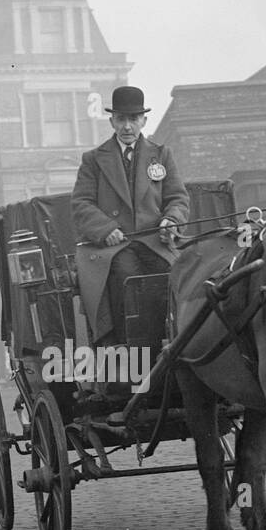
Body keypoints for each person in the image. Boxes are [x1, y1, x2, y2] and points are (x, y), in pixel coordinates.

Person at [71, 85, 189, 346]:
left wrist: (171, 220)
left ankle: (175, 342)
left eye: (133, 119)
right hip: (114, 246)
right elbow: (81, 203)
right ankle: (131, 348)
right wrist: (105, 229)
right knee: (128, 277)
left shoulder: (161, 155)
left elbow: (178, 198)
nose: (127, 126)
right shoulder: (93, 159)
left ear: (143, 120)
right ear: (112, 121)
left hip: (154, 242)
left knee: (175, 274)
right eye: (121, 119)